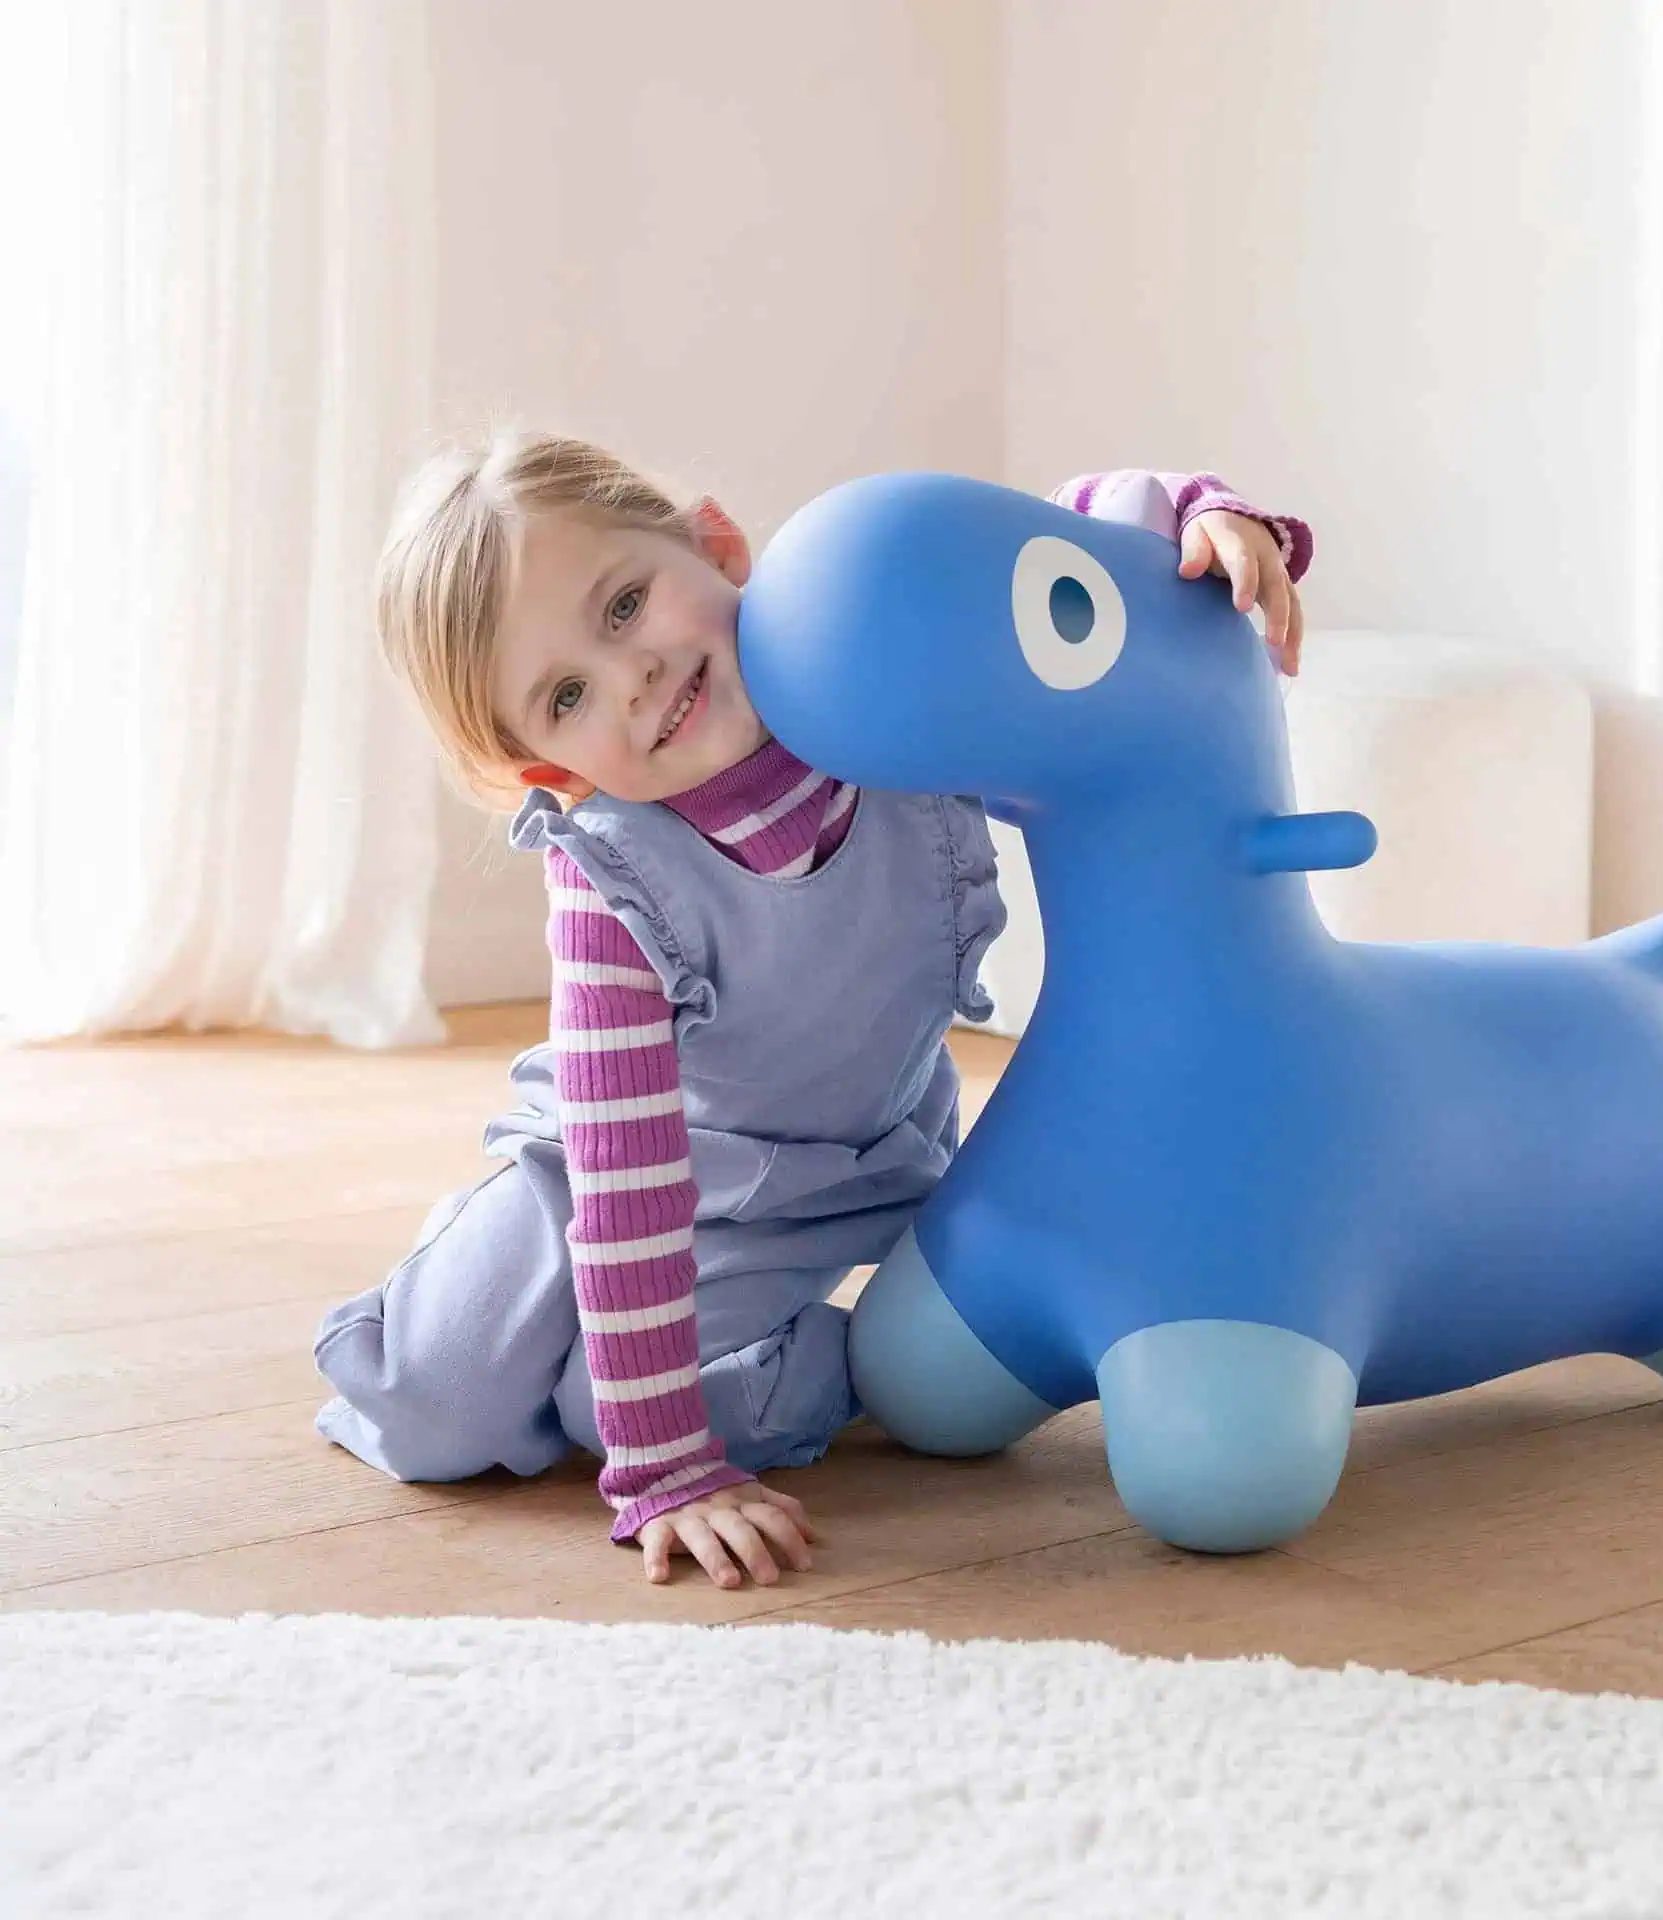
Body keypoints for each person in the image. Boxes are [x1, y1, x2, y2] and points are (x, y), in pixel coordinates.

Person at [314, 430, 1311, 1589]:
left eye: (625, 604)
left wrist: (1191, 516)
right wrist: (661, 1470)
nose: (631, 675)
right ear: (551, 770)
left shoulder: (887, 678)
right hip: (606, 1169)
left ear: (716, 545)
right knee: (431, 1409)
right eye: (568, 694)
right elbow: (626, 1181)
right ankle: (512, 1308)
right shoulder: (611, 881)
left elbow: (1029, 563)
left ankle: (889, 1354)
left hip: (849, 1174)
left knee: (616, 1405)